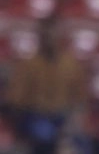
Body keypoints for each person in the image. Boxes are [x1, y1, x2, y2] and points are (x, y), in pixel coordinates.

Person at [5, 15, 88, 146]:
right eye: (46, 35)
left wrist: (73, 120)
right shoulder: (28, 65)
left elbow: (79, 98)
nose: (50, 39)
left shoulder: (71, 64)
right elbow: (16, 100)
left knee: (82, 143)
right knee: (46, 136)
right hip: (36, 116)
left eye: (53, 34)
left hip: (63, 116)